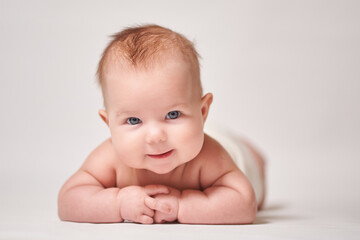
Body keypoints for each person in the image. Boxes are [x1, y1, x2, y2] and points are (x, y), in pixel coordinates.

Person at [58, 24, 266, 224]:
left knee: (250, 167)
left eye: (173, 114)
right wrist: (117, 202)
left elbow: (245, 204)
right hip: (190, 136)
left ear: (202, 112)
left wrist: (182, 206)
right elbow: (68, 201)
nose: (156, 136)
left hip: (229, 149)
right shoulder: (109, 157)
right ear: (109, 123)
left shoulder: (211, 156)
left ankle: (254, 156)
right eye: (133, 120)